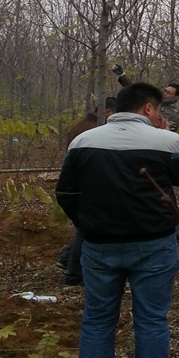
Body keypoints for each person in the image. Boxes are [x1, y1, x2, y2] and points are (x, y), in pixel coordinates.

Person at [56, 82, 179, 358]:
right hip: (154, 245)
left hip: (99, 246)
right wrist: (165, 136)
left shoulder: (83, 141)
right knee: (151, 320)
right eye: (159, 111)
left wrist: (88, 223)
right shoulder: (167, 140)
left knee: (97, 320)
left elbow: (66, 192)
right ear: (149, 109)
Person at [57, 98, 117, 286]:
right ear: (108, 113)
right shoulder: (91, 130)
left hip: (83, 184)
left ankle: (67, 259)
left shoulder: (84, 126)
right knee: (85, 230)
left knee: (84, 229)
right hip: (87, 186)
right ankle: (74, 274)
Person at [113, 64, 179, 130]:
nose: (164, 93)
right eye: (165, 90)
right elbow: (134, 90)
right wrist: (122, 75)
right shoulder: (151, 102)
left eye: (168, 93)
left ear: (177, 97)